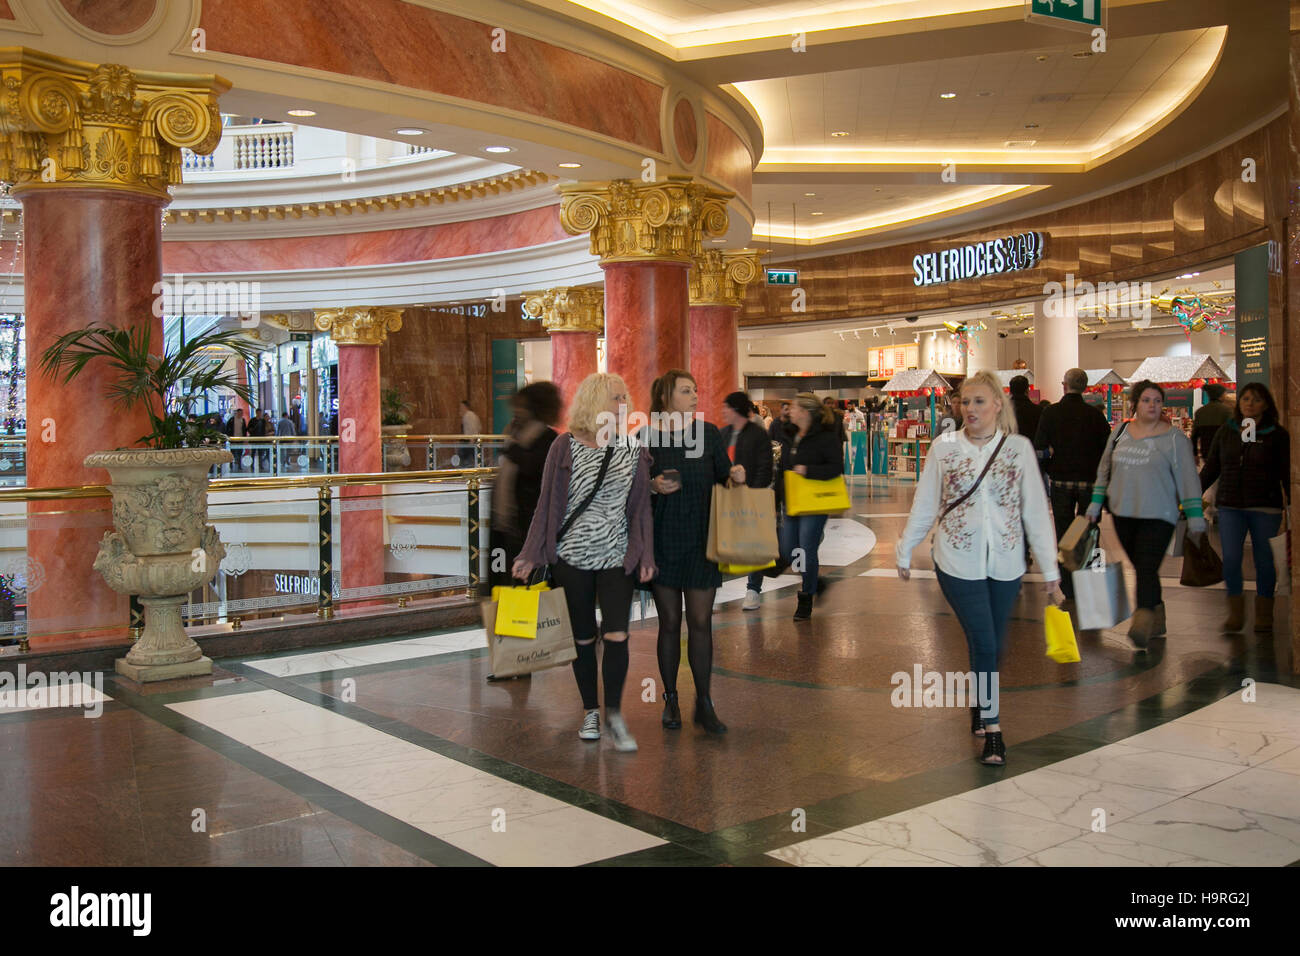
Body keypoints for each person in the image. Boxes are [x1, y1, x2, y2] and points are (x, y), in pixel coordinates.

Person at [896, 370, 1063, 766]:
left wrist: (1051, 570)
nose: (970, 409)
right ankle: (993, 728)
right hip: (956, 560)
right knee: (985, 641)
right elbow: (925, 503)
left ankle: (979, 697)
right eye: (965, 402)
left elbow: (1036, 512)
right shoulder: (944, 448)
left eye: (979, 402)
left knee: (992, 644)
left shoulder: (1018, 448)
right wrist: (905, 548)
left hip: (1006, 562)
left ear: (998, 405)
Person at [514, 373, 655, 752]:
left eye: (625, 397)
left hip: (616, 557)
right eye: (616, 397)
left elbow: (641, 509)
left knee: (617, 634)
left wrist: (645, 555)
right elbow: (547, 505)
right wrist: (530, 553)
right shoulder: (564, 447)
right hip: (571, 558)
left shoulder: (632, 449)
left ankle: (614, 714)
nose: (623, 404)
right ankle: (590, 710)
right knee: (582, 637)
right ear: (594, 402)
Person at [645, 370, 743, 734]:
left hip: (702, 539)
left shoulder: (707, 433)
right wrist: (651, 485)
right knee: (669, 623)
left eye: (696, 389)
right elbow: (629, 484)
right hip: (663, 539)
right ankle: (670, 699)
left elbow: (723, 475)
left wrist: (736, 476)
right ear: (665, 396)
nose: (695, 396)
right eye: (686, 390)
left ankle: (704, 701)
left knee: (701, 622)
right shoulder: (647, 437)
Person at [1087, 380, 1206, 649]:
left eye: (1157, 401)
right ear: (1135, 404)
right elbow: (1104, 468)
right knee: (1143, 566)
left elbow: (1188, 478)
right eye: (1146, 400)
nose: (1152, 405)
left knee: (1146, 566)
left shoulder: (1175, 439)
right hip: (1122, 512)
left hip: (1160, 514)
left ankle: (1142, 619)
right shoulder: (1120, 432)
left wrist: (1195, 515)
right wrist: (1095, 502)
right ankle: (1158, 613)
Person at [1199, 382, 1290, 633]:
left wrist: (1292, 504)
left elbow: (1286, 473)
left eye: (1257, 399)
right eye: (1246, 398)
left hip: (1265, 506)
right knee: (1231, 559)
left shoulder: (1277, 435)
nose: (1250, 403)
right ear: (1238, 403)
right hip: (1230, 505)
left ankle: (1264, 615)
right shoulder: (1226, 432)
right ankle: (1235, 613)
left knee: (1264, 560)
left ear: (1266, 404)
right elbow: (1212, 468)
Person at [1034, 368, 1112, 610]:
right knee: (1091, 530)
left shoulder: (1051, 413)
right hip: (1090, 482)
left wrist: (1049, 466)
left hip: (1061, 482)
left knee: (1064, 533)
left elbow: (1039, 446)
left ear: (1064, 385)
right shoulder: (1095, 416)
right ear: (1086, 387)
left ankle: (1068, 586)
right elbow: (1106, 451)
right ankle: (1093, 579)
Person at [775, 393, 844, 621]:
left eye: (793, 407)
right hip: (792, 500)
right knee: (788, 550)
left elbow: (836, 467)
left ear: (805, 412)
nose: (789, 411)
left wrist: (809, 471)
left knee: (806, 549)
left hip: (814, 502)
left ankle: (806, 597)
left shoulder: (825, 437)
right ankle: (817, 581)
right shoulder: (790, 434)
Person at [490, 382, 561, 588]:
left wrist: (512, 445)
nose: (517, 412)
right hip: (510, 530)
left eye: (522, 407)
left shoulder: (548, 440)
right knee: (510, 586)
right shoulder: (518, 438)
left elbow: (532, 469)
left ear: (535, 409)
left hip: (532, 532)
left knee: (532, 589)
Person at [717, 392, 776, 612]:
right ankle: (714, 587)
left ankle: (753, 589)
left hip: (751, 496)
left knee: (753, 543)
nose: (723, 412)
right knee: (721, 541)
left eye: (727, 407)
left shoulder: (758, 434)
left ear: (737, 409)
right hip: (727, 497)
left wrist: (753, 491)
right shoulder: (722, 434)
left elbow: (764, 467)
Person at [1192, 383, 1233, 463]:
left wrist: (1195, 453)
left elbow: (1194, 436)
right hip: (1223, 451)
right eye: (1225, 393)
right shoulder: (1227, 411)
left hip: (1206, 452)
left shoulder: (1200, 412)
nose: (1226, 395)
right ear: (1220, 395)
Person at [1008, 375, 1042, 439]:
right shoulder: (1038, 410)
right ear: (1027, 390)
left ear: (1010, 391)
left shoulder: (1002, 411)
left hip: (1008, 447)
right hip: (1031, 447)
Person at [225, 407, 247, 472]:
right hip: (233, 439)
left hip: (240, 439)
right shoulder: (232, 420)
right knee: (233, 452)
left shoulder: (243, 420)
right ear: (237, 413)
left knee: (240, 452)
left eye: (242, 413)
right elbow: (227, 428)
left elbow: (244, 430)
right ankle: (231, 464)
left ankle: (239, 465)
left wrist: (245, 438)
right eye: (239, 413)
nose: (241, 414)